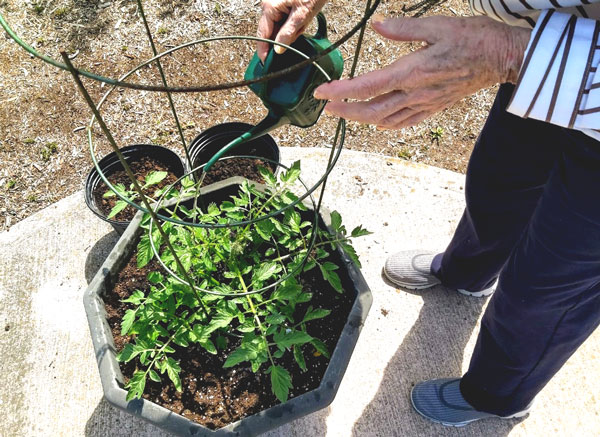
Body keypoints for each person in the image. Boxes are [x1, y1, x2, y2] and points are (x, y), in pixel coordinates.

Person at [257, 0, 600, 428]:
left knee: (550, 282)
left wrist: (514, 56)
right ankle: (467, 273)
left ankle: (498, 395)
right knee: (499, 178)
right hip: (562, 30)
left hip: (576, 67)